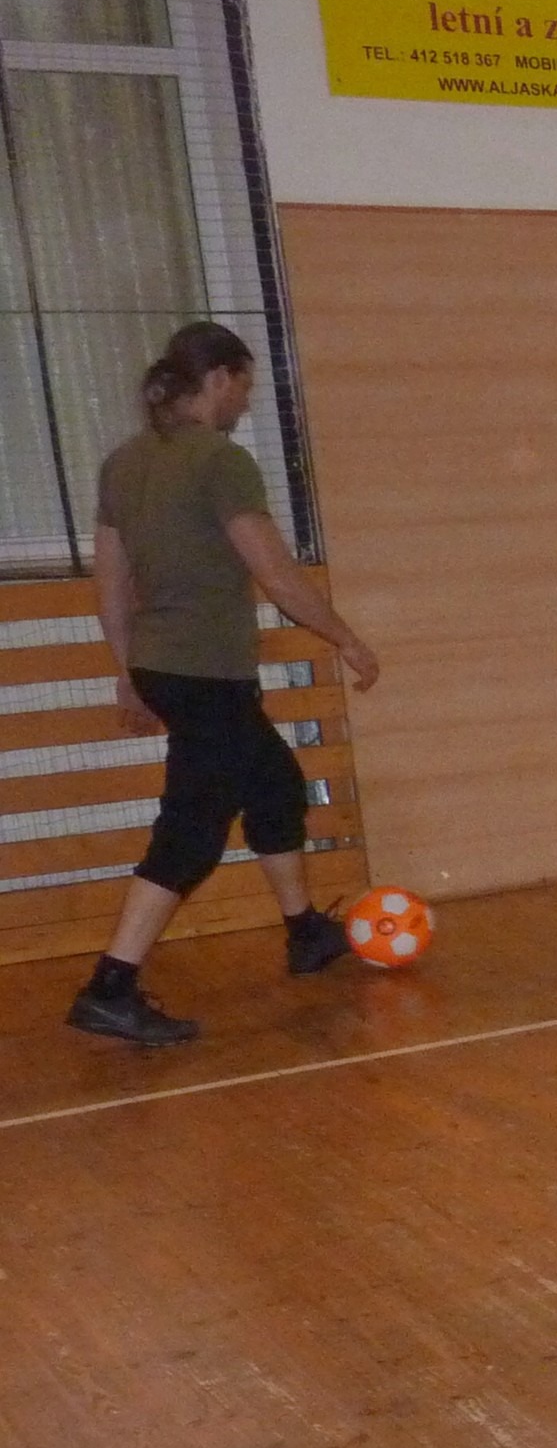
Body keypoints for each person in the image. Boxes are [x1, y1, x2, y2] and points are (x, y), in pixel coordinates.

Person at [67, 321, 382, 1046]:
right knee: (192, 830)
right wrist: (346, 638)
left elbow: (111, 582)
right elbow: (276, 574)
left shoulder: (124, 463)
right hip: (206, 673)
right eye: (243, 384)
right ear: (217, 380)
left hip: (165, 667)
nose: (245, 400)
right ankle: (110, 986)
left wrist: (128, 672)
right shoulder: (221, 461)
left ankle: (305, 932)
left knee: (273, 783)